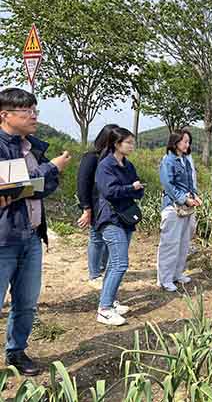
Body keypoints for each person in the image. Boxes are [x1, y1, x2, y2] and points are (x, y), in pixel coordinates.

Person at [0, 88, 71, 375]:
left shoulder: (31, 146)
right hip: (3, 239)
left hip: (30, 236)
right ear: (4, 115)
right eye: (26, 111)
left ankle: (16, 352)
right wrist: (50, 167)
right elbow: (10, 187)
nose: (34, 116)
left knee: (26, 303)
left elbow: (40, 188)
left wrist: (37, 179)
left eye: (35, 110)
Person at [94, 127, 144, 325]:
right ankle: (104, 309)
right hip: (110, 218)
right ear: (116, 144)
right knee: (121, 263)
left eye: (133, 142)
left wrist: (133, 189)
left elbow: (138, 190)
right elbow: (109, 191)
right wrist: (131, 188)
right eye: (128, 142)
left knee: (114, 264)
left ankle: (110, 302)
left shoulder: (127, 165)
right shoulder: (105, 165)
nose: (132, 146)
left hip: (126, 217)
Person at [156, 130, 201, 291]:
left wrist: (195, 196)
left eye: (189, 142)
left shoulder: (185, 161)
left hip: (187, 207)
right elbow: (168, 185)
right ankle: (164, 279)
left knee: (183, 242)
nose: (187, 145)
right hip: (173, 207)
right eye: (184, 141)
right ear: (175, 142)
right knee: (170, 243)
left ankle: (177, 273)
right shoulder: (168, 161)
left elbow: (190, 183)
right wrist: (184, 199)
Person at [77, 124, 118, 289]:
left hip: (112, 207)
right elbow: (82, 184)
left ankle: (103, 268)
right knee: (96, 239)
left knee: (109, 239)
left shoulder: (115, 159)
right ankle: (94, 274)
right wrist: (86, 208)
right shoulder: (91, 157)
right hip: (96, 206)